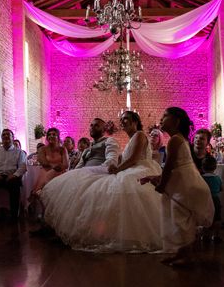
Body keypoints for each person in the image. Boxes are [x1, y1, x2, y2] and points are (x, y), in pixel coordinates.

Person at [40, 111, 163, 252]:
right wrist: (115, 167)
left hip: (140, 169)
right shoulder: (130, 140)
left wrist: (117, 169)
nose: (122, 122)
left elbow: (134, 159)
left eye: (126, 119)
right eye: (121, 119)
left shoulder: (139, 135)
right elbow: (122, 159)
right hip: (129, 169)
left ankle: (135, 234)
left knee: (118, 190)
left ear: (135, 121)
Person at [142, 108, 214, 265]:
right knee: (179, 217)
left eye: (165, 116)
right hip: (186, 181)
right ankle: (181, 252)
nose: (161, 119)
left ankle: (187, 255)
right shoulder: (179, 139)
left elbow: (168, 167)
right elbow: (176, 167)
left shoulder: (175, 140)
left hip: (186, 184)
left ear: (176, 121)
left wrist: (162, 185)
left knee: (180, 219)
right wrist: (155, 177)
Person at [0, 128, 27, 219]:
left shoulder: (19, 152)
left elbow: (23, 167)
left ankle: (14, 215)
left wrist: (14, 175)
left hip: (12, 177)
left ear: (12, 137)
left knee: (15, 185)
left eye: (8, 134)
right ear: (2, 139)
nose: (6, 136)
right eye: (3, 135)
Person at [31, 127, 68, 197]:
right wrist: (56, 166)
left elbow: (66, 165)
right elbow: (44, 163)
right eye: (49, 135)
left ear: (58, 137)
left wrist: (59, 167)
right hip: (46, 171)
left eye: (54, 134)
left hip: (60, 172)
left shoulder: (62, 149)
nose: (51, 136)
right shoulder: (42, 149)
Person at [201, 155, 222, 242]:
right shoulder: (217, 178)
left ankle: (206, 235)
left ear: (202, 167)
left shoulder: (201, 178)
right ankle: (216, 235)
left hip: (205, 200)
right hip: (216, 199)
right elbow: (221, 188)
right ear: (215, 167)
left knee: (205, 217)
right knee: (217, 218)